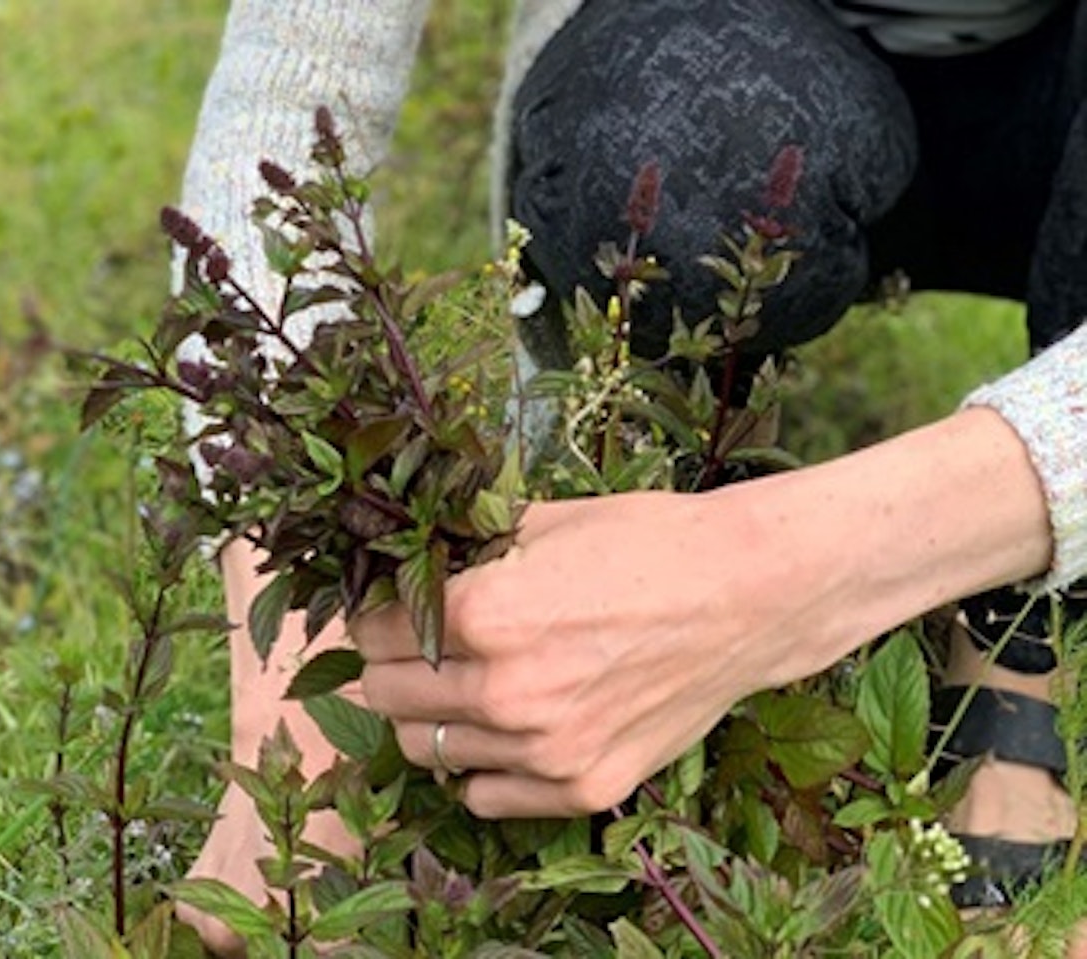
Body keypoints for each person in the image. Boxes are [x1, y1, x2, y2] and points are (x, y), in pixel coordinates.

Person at [172, 0, 1087, 953]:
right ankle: (680, 478)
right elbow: (288, 93)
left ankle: (1019, 639)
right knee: (666, 152)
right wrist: (299, 672)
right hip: (748, 84)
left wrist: (774, 572)